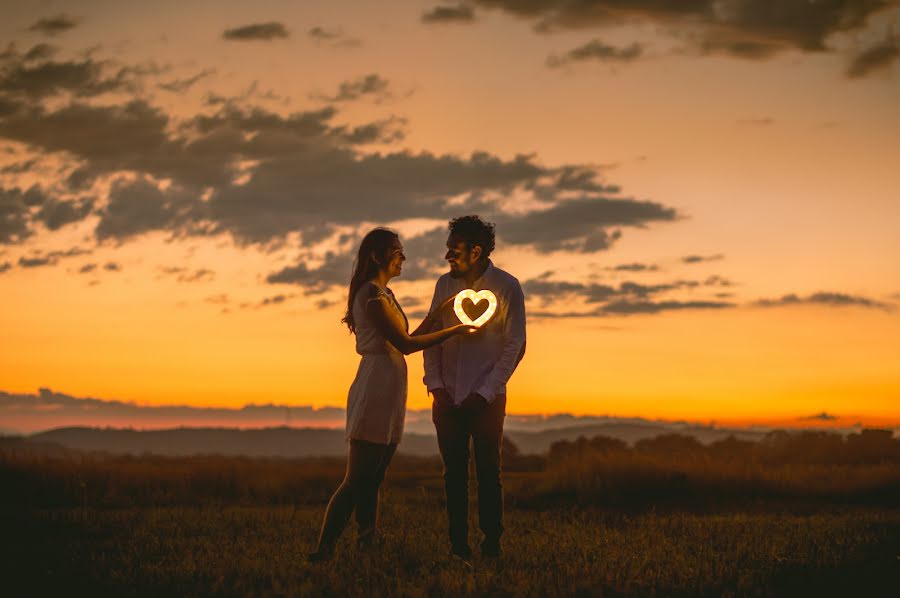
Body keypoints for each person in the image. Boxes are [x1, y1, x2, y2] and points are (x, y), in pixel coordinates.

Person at [308, 227, 477, 563]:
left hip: (389, 389)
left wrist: (439, 313)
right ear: (377, 256)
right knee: (357, 479)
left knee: (374, 476)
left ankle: (367, 541)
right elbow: (406, 345)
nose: (404, 257)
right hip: (375, 388)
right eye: (397, 251)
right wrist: (456, 330)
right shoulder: (371, 296)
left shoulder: (386, 294)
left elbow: (407, 336)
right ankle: (323, 551)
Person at [423, 215, 527, 560]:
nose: (447, 257)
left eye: (454, 250)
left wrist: (485, 393)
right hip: (446, 398)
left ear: (476, 251)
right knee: (453, 474)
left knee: (487, 472)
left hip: (487, 400)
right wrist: (436, 386)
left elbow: (515, 346)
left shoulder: (508, 286)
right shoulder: (443, 285)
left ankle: (491, 543)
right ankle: (458, 545)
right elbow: (432, 339)